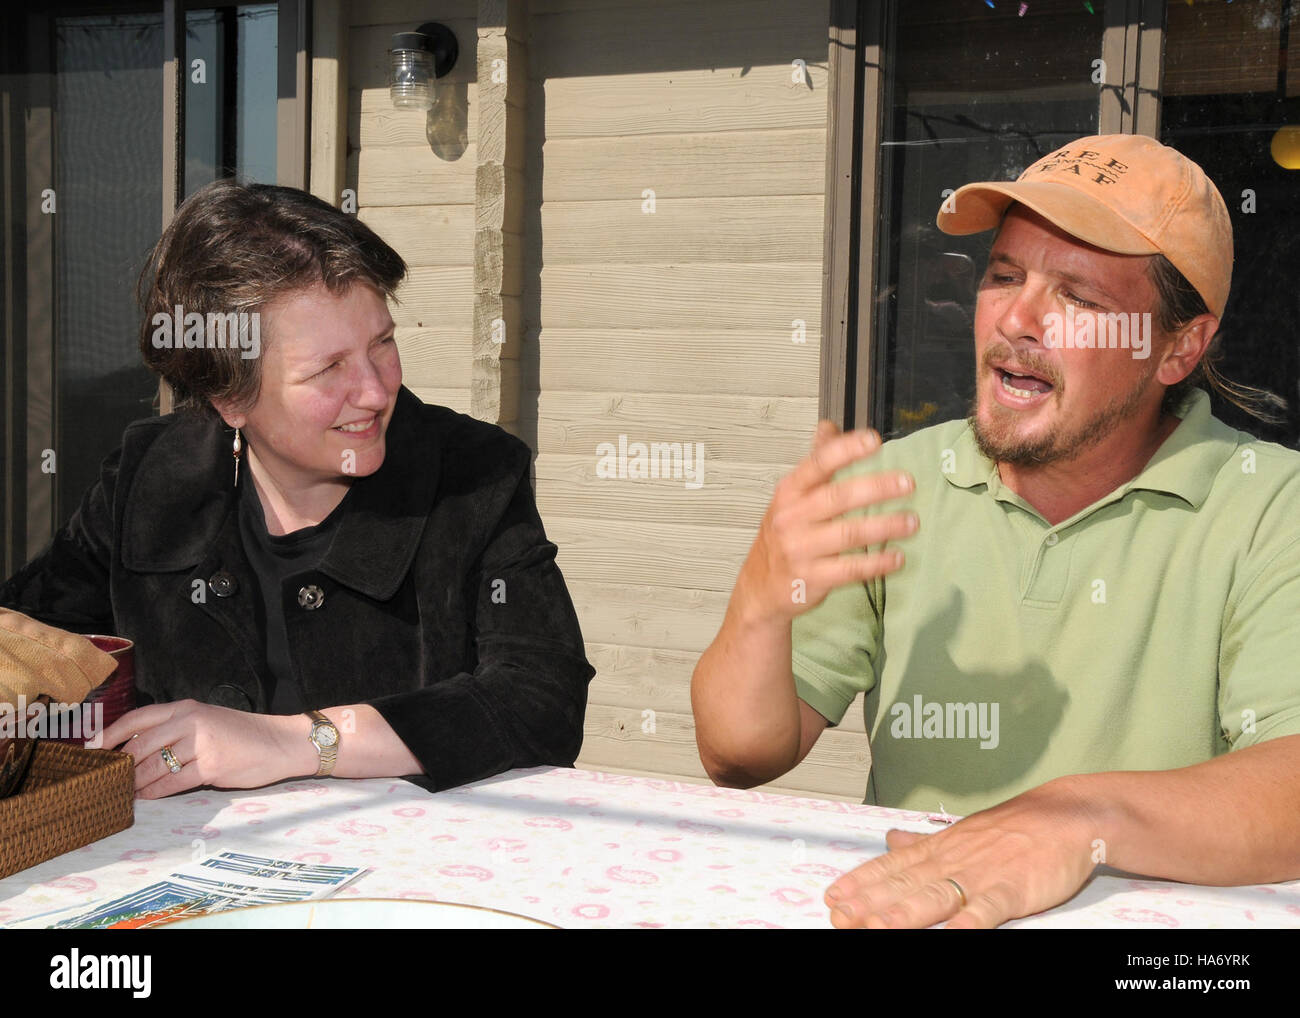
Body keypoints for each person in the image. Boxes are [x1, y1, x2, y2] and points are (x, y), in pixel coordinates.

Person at [692, 134, 1300, 929]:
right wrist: (760, 604)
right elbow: (739, 754)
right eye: (1004, 275)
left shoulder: (1268, 506)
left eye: (1078, 297)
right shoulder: (890, 484)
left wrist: (1075, 822)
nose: (1016, 317)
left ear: (1178, 348)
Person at [0, 180, 594, 799]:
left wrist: (296, 741)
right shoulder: (149, 477)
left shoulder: (473, 473)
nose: (374, 390)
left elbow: (542, 700)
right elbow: (26, 638)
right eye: (327, 368)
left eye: (382, 343)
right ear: (231, 397)